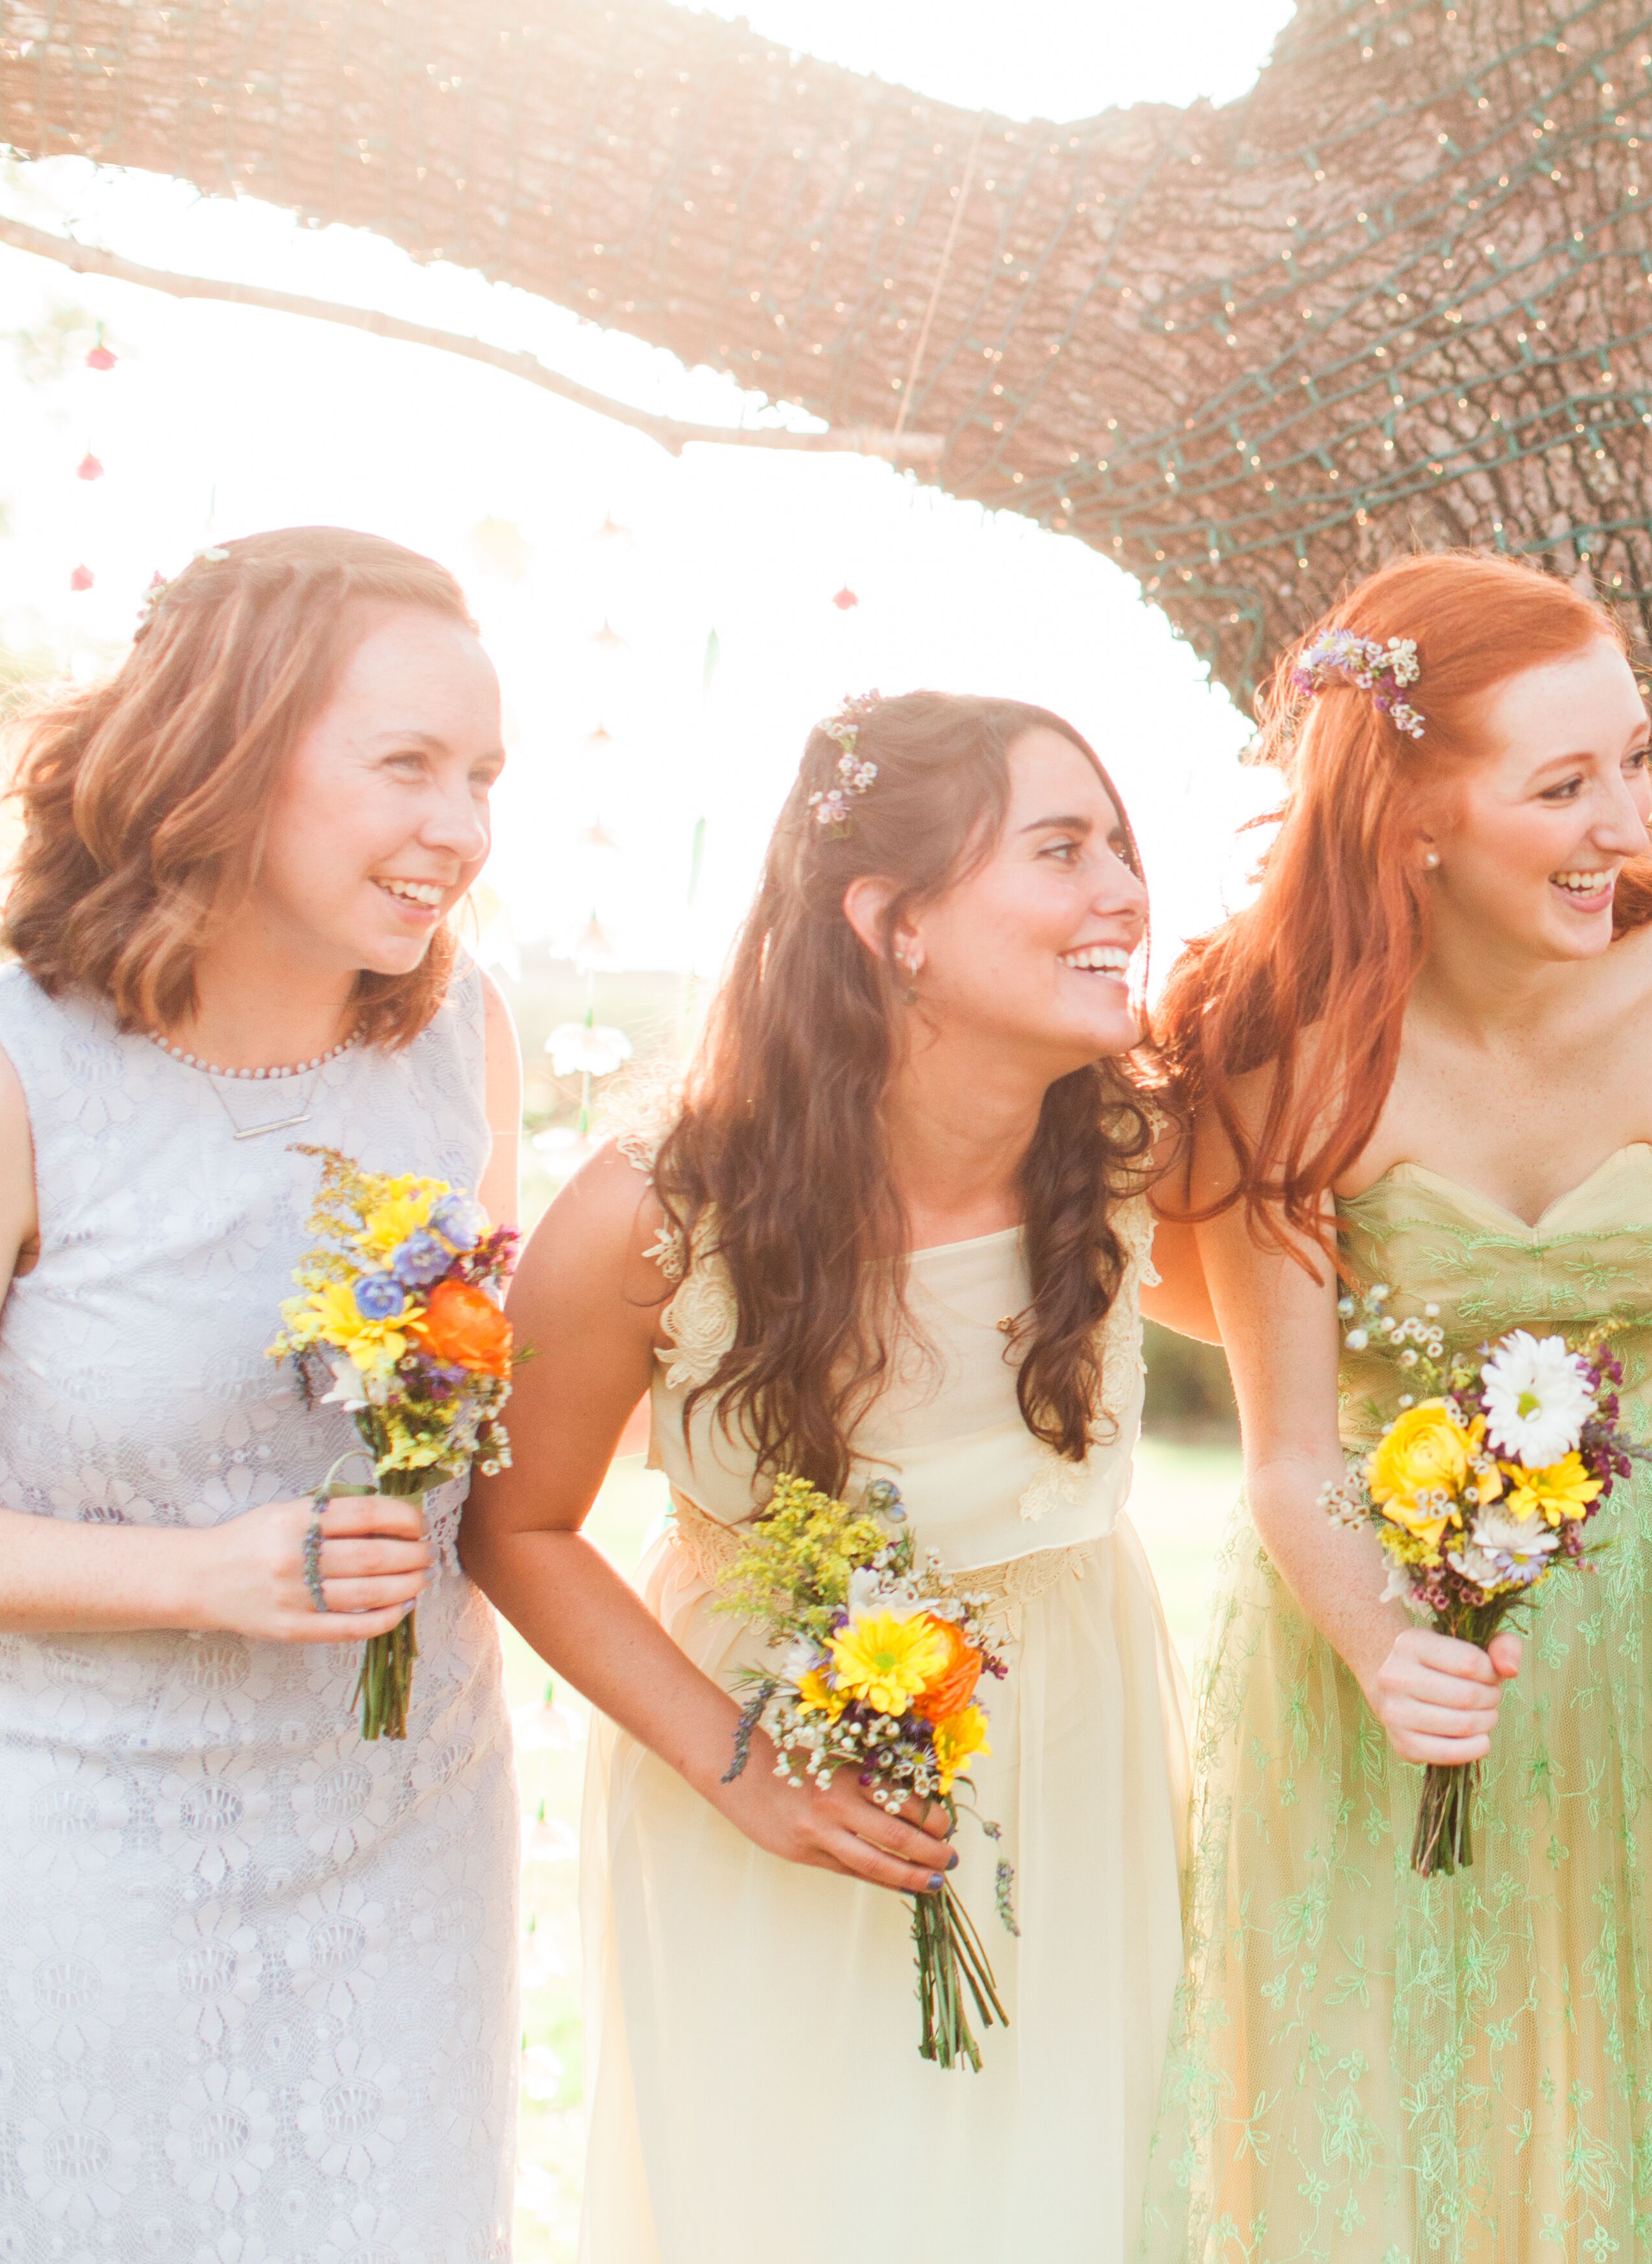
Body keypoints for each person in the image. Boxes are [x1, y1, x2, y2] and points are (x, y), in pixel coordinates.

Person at [1140, 551, 1652, 2263]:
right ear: (1410, 814)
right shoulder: (1291, 1061)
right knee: (1407, 2108)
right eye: (1562, 785)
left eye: (1631, 761)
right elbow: (1287, 1455)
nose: (1622, 817)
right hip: (1393, 1637)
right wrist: (1393, 1650)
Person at [468, 693, 1184, 2261]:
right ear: (894, 921)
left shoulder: (1147, 1155)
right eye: (1063, 850)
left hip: (1071, 1759)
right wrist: (745, 1776)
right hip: (760, 1778)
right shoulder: (659, 1205)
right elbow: (517, 1524)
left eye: (1123, 847)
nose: (1125, 891)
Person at [0, 529, 524, 2259]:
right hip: (81, 1874)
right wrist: (194, 1577)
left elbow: (498, 1442)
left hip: (411, 1841)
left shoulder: (462, 1039)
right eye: (408, 765)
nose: (462, 825)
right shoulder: (13, 1071)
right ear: (227, 745)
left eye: (485, 776)